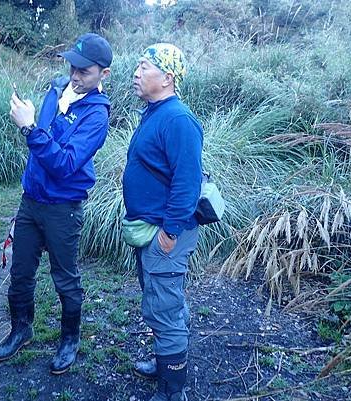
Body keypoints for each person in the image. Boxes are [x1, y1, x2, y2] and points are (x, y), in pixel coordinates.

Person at [0, 33, 112, 375]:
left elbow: (63, 163)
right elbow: (42, 142)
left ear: (103, 73)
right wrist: (32, 125)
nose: (75, 75)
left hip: (64, 207)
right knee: (20, 274)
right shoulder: (55, 89)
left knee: (65, 278)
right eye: (72, 66)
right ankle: (20, 329)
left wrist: (29, 129)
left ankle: (70, 340)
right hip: (31, 202)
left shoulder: (97, 116)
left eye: (84, 71)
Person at [122, 43, 203, 401]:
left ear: (167, 78)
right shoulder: (155, 112)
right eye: (137, 67)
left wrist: (169, 234)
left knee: (164, 309)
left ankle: (172, 391)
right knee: (162, 301)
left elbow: (188, 183)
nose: (136, 74)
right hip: (153, 231)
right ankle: (166, 360)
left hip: (165, 234)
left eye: (144, 67)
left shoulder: (178, 119)